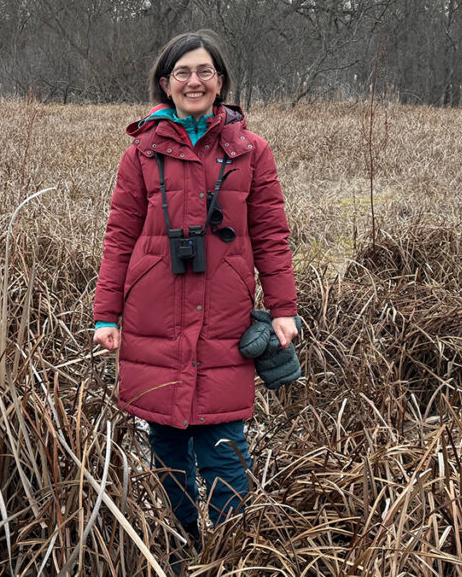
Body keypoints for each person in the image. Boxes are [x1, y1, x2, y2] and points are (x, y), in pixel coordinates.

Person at [92, 30, 298, 557]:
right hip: (152, 317)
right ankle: (180, 549)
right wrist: (106, 315)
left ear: (221, 82)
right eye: (182, 72)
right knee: (165, 445)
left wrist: (282, 309)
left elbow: (273, 234)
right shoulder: (140, 153)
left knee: (224, 445)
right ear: (165, 84)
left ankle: (229, 555)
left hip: (224, 317)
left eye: (205, 71)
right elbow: (119, 236)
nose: (194, 81)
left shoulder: (252, 151)